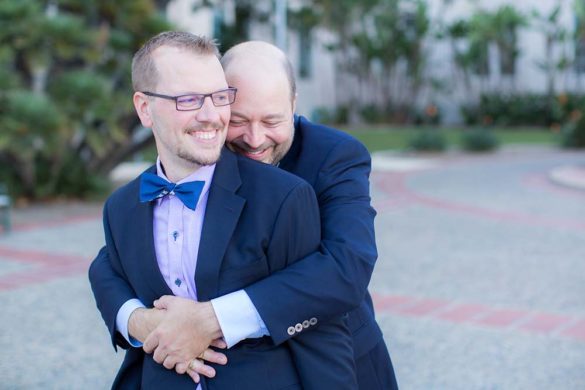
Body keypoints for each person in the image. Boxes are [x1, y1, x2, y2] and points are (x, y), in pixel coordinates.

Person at [88, 31, 357, 389]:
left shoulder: (286, 195)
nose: (212, 116)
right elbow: (107, 268)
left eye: (219, 97)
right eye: (188, 99)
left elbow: (327, 314)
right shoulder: (121, 207)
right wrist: (134, 319)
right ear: (144, 108)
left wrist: (210, 319)